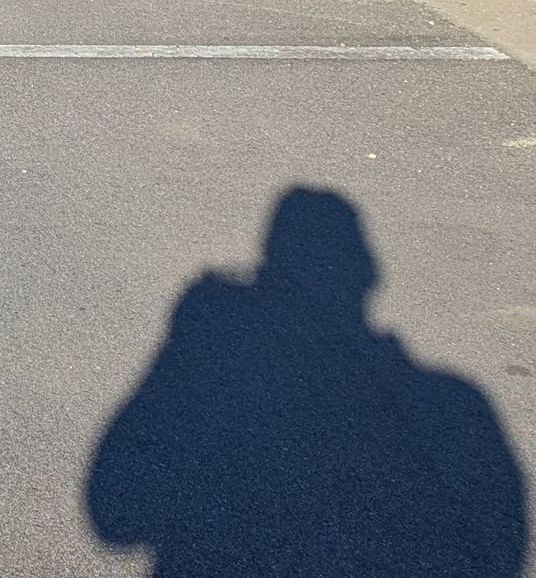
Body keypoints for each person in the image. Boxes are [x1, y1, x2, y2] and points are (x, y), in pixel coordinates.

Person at [87, 187, 526, 576]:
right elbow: (502, 545)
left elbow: (115, 516)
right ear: (367, 272)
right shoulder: (459, 399)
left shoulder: (456, 399)